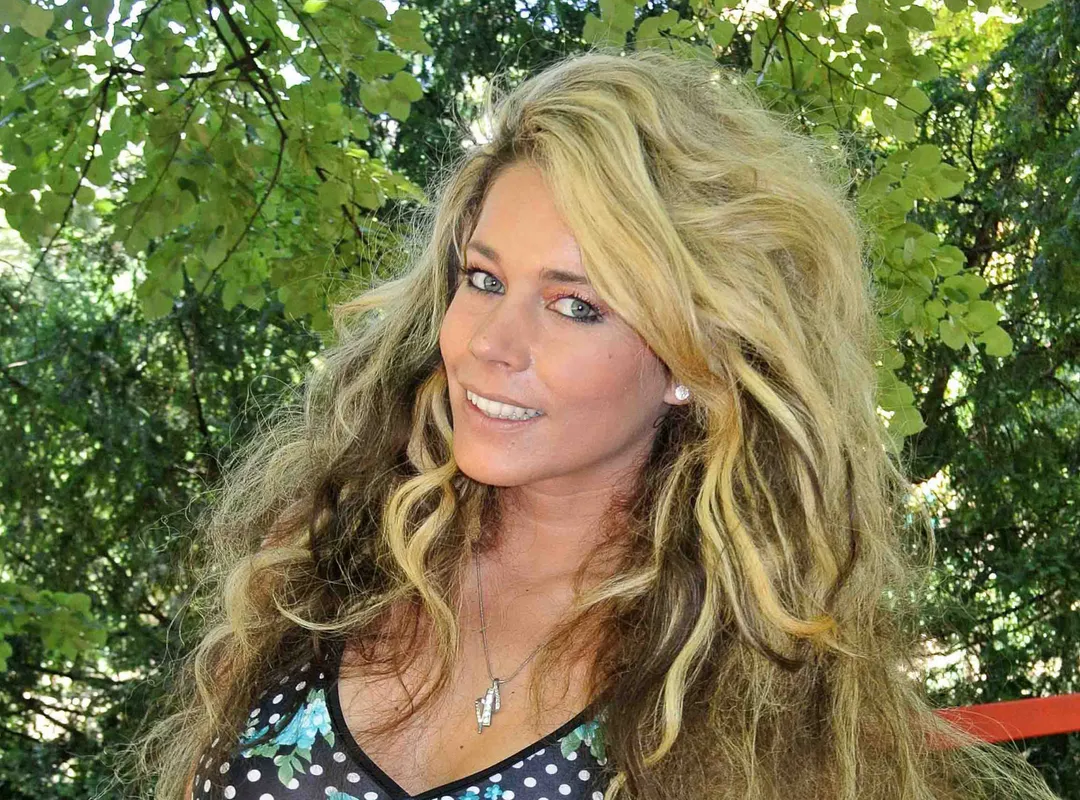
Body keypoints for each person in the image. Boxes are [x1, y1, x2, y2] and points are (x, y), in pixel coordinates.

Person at [135, 46, 1060, 800]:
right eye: (483, 279)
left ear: (693, 360)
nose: (489, 344)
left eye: (576, 306)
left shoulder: (763, 692)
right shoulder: (325, 560)